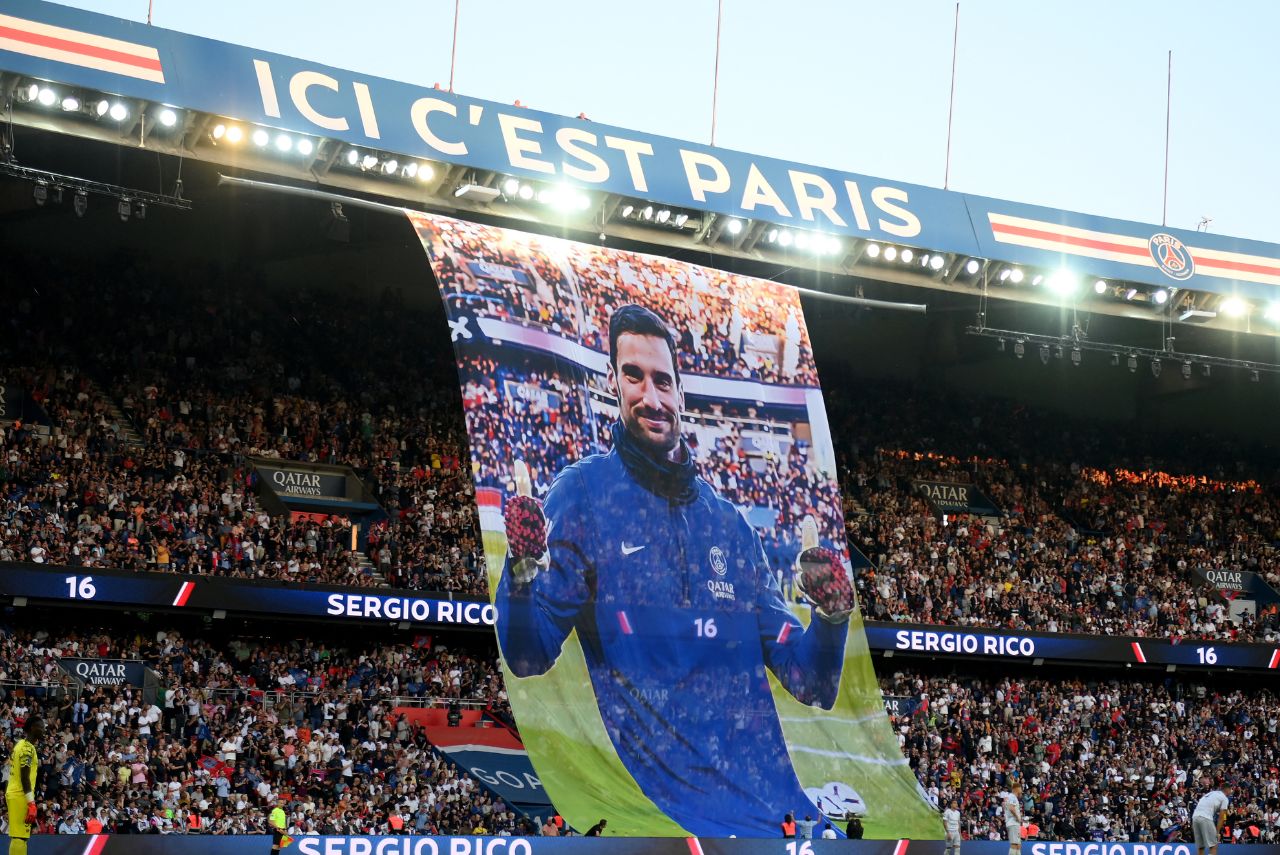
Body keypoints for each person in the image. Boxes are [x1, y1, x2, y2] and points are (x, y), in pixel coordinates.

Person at [497, 305, 855, 837]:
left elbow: (811, 684)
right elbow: (529, 654)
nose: (651, 396)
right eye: (633, 376)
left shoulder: (730, 526)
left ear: (681, 394)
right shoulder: (586, 494)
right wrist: (521, 576)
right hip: (662, 822)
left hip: (769, 816)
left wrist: (830, 618)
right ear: (614, 384)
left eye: (663, 380)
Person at [6, 716, 44, 855]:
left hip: (16, 793)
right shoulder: (27, 748)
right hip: (20, 794)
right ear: (33, 728)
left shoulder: (20, 744)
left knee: (20, 836)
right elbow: (24, 777)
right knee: (19, 837)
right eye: (41, 727)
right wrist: (31, 803)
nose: (44, 730)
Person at [1192, 781, 1232, 855]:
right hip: (1205, 817)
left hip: (1195, 817)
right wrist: (1217, 832)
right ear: (1227, 790)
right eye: (1231, 789)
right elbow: (1222, 817)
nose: (1231, 791)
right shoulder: (1224, 798)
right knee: (1213, 845)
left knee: (1201, 846)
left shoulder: (1212, 793)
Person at [1002, 782, 1024, 855]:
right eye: (1020, 788)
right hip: (1013, 823)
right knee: (1014, 844)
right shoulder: (1012, 796)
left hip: (1014, 823)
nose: (1021, 790)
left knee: (1018, 844)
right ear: (1016, 789)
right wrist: (1018, 817)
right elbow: (1011, 808)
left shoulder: (1011, 797)